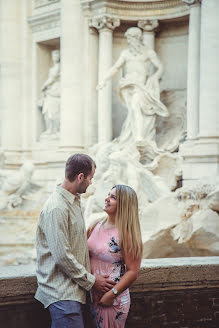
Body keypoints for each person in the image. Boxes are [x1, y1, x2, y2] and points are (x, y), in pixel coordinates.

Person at [35, 153, 116, 328]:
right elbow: (62, 256)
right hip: (62, 294)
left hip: (73, 292)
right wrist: (93, 281)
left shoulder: (74, 202)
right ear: (80, 177)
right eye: (90, 178)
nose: (91, 183)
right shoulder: (57, 208)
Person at [97, 27, 168, 153]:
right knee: (133, 111)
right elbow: (115, 67)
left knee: (136, 106)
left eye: (130, 38)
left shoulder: (148, 52)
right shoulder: (126, 53)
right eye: (128, 39)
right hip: (127, 86)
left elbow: (160, 66)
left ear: (137, 37)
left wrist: (155, 77)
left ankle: (139, 136)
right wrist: (104, 80)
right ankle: (135, 136)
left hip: (140, 85)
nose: (129, 41)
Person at [87, 184, 143, 328]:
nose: (106, 199)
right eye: (108, 195)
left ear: (123, 204)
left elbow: (133, 271)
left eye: (113, 197)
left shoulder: (127, 234)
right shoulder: (95, 225)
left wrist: (111, 294)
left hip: (112, 300)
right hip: (92, 295)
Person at [39, 49, 61, 136]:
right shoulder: (52, 68)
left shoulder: (59, 67)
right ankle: (50, 129)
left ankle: (56, 129)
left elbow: (53, 78)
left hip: (56, 89)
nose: (55, 57)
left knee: (54, 110)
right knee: (47, 110)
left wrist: (43, 86)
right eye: (54, 55)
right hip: (51, 90)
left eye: (57, 55)